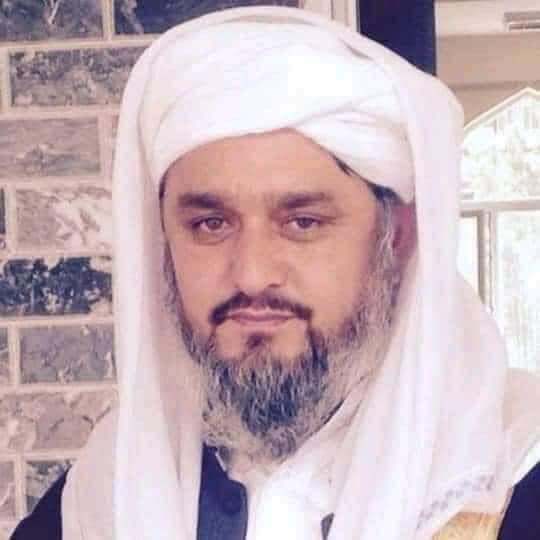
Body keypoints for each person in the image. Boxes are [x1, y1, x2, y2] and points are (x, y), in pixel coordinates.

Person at [11, 5, 540, 540]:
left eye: (303, 222)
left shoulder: (510, 476)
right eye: (211, 224)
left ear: (397, 237)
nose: (251, 274)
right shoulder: (106, 490)